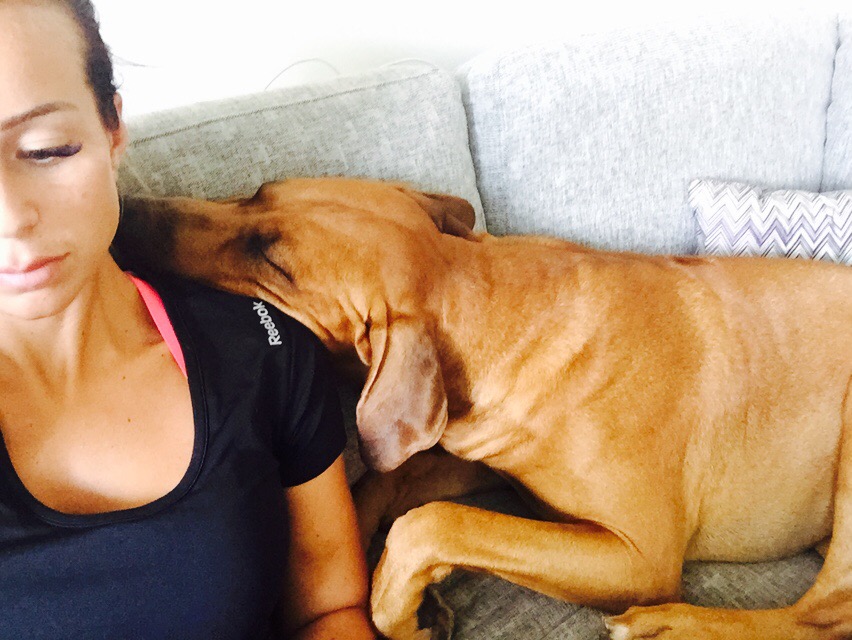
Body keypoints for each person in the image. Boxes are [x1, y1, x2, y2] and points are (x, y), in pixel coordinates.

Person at [0, 1, 376, 638]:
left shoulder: (264, 349)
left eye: (47, 150)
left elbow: (329, 609)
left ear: (112, 128)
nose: (12, 218)